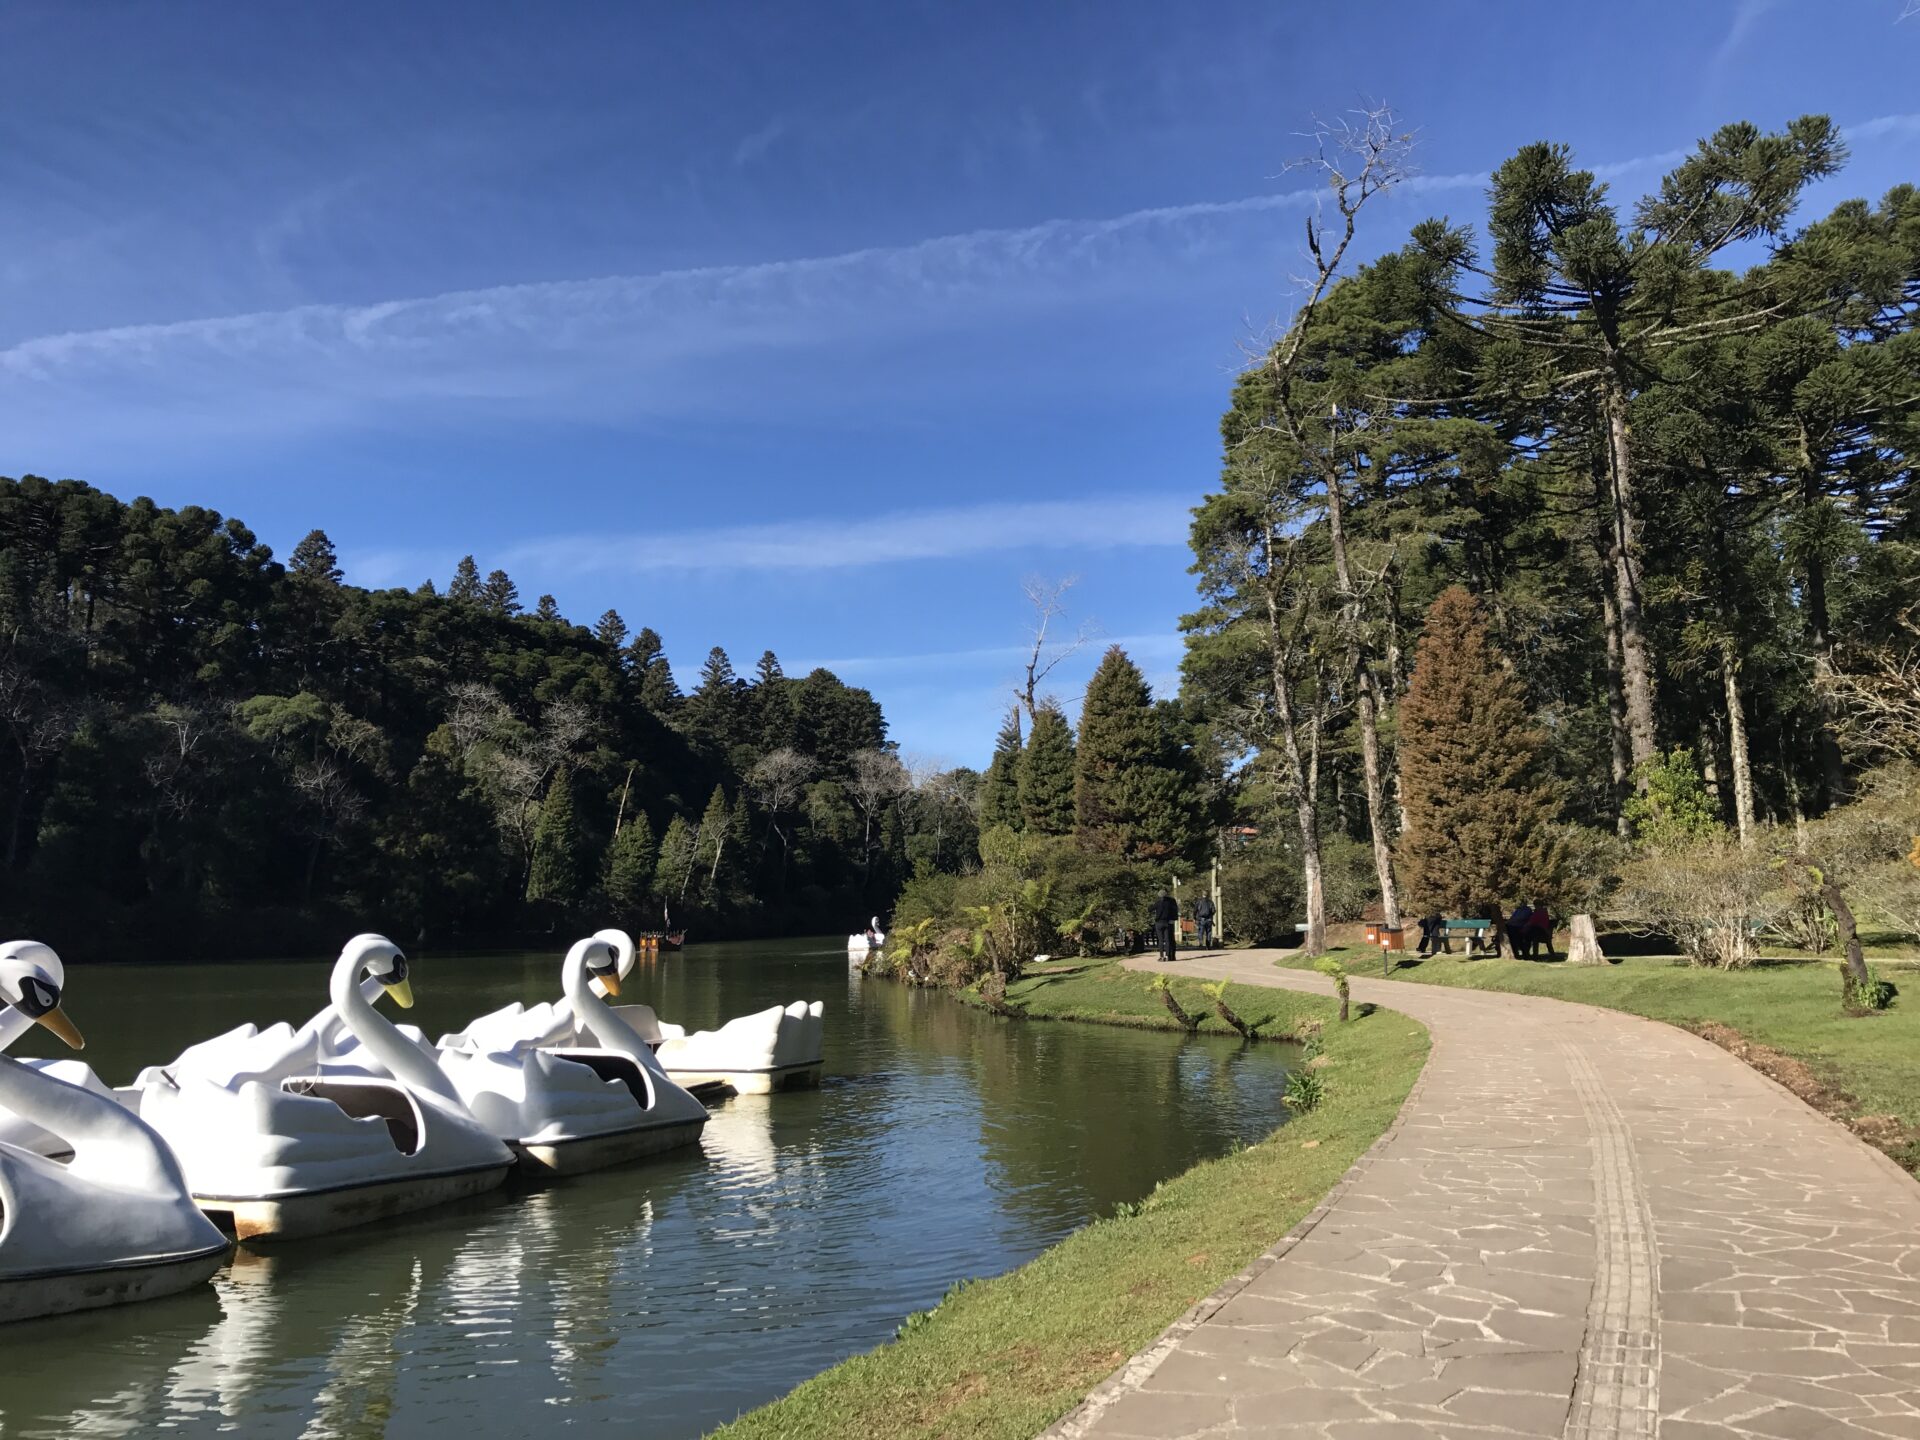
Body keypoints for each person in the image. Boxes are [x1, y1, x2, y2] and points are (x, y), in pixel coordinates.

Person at [1150, 890, 1179, 963]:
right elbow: (1174, 911)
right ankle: (1167, 955)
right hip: (1167, 922)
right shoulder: (1170, 903)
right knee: (1167, 940)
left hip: (1159, 923)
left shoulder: (1158, 903)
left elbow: (1150, 909)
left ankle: (1161, 956)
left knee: (1160, 940)